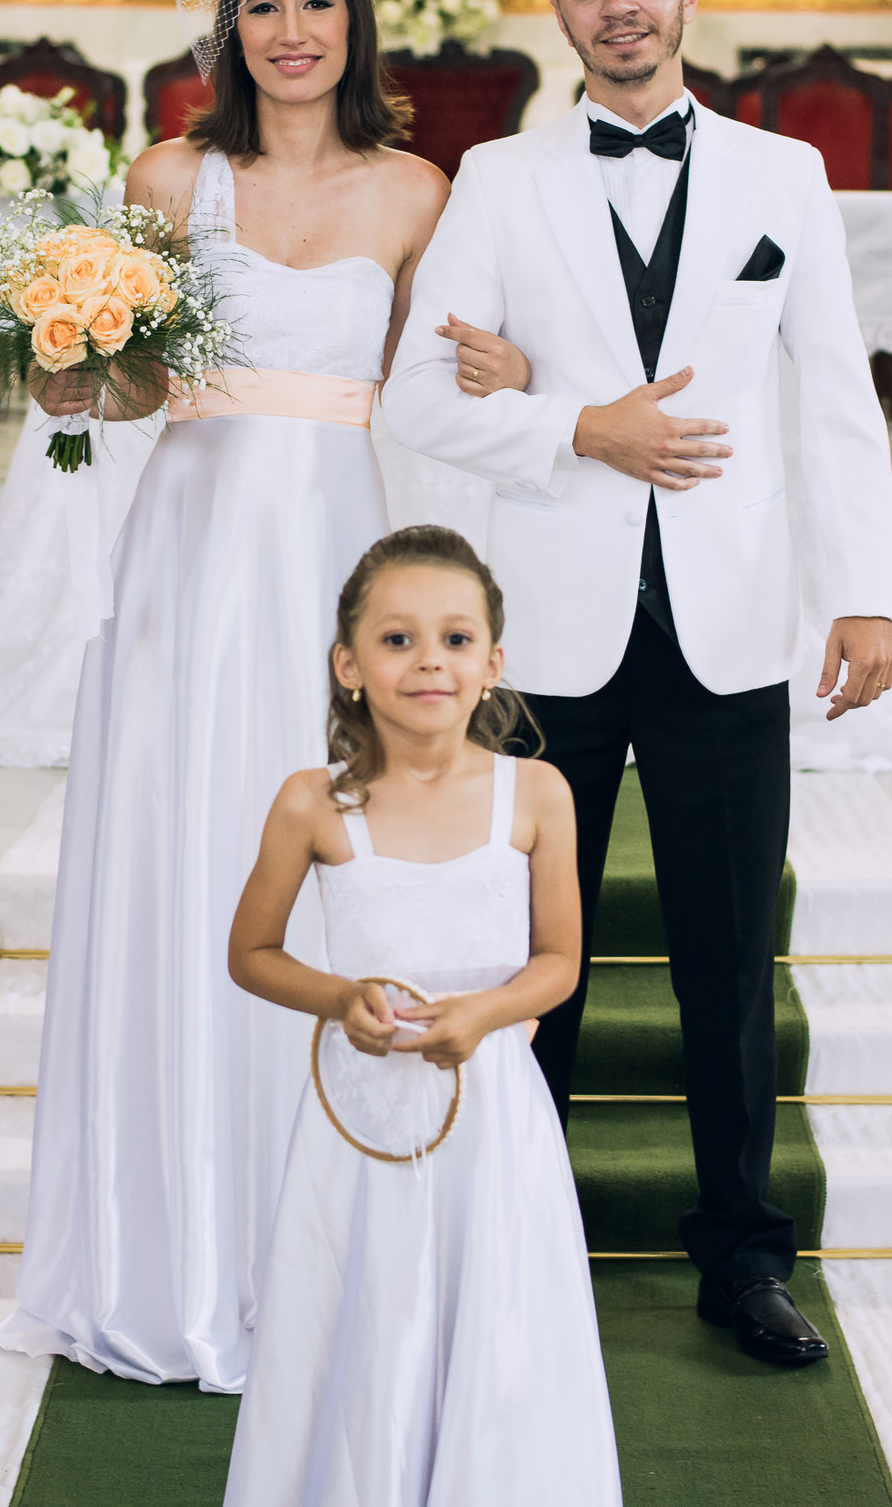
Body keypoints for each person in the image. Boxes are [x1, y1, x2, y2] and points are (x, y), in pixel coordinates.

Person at [381, 0, 892, 1366]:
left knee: (727, 961)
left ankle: (743, 1263)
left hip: (731, 628)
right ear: (556, 7)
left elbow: (831, 397)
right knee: (523, 953)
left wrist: (861, 591)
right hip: (545, 638)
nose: (615, 4)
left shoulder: (783, 177)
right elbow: (418, 392)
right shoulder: (497, 178)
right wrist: (572, 427)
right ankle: (514, 1257)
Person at [0, 0, 460, 1390]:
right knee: (179, 858)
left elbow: (438, 402)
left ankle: (315, 1247)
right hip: (188, 564)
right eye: (263, 8)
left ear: (354, 20)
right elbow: (126, 392)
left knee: (325, 864)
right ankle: (167, 1250)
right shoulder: (170, 175)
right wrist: (73, 376)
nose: (292, 33)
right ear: (227, 30)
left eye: (317, 3)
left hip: (331, 564)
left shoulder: (415, 193)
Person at [223, 525, 622, 1506]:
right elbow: (252, 954)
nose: (428, 661)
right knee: (365, 1306)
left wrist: (484, 1014)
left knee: (496, 1309)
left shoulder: (537, 793)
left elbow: (560, 962)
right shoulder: (311, 803)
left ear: (493, 662)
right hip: (357, 1116)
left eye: (454, 638)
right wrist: (340, 998)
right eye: (397, 640)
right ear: (348, 665)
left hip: (489, 1107)